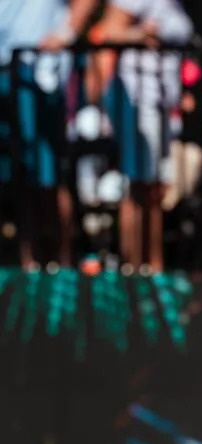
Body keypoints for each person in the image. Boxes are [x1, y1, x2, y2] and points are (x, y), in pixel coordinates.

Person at [87, 0, 194, 271]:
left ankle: (152, 266)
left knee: (156, 187)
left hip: (163, 104)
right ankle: (134, 267)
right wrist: (139, 35)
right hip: (137, 98)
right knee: (138, 184)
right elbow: (105, 32)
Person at [0, 0, 99, 267]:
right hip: (6, 69)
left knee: (46, 176)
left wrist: (65, 34)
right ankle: (26, 262)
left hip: (38, 69)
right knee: (20, 173)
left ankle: (57, 262)